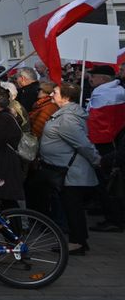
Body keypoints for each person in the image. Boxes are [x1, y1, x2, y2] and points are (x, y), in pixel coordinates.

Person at [40, 83, 102, 254]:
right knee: (70, 206)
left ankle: (78, 242)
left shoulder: (67, 118)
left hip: (71, 172)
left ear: (66, 97)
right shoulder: (65, 114)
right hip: (66, 170)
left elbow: (82, 144)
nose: (52, 94)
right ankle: (78, 240)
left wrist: (97, 160)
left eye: (55, 92)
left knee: (72, 207)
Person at [85, 65, 125, 233]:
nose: (90, 79)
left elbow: (100, 123)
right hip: (111, 143)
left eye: (93, 76)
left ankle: (114, 219)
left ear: (103, 78)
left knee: (108, 184)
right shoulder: (113, 91)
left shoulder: (107, 94)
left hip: (107, 145)